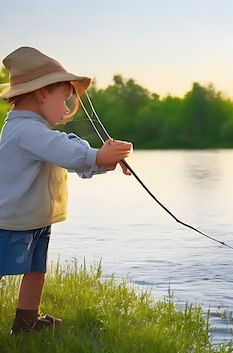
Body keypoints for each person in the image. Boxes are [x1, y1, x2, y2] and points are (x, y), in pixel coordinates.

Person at [0, 46, 133, 334]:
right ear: (42, 93)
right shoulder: (27, 131)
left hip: (33, 218)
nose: (65, 109)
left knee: (37, 271)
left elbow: (66, 147)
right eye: (64, 99)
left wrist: (101, 160)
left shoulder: (33, 129)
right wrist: (98, 157)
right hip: (11, 221)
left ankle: (26, 322)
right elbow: (64, 150)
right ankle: (25, 323)